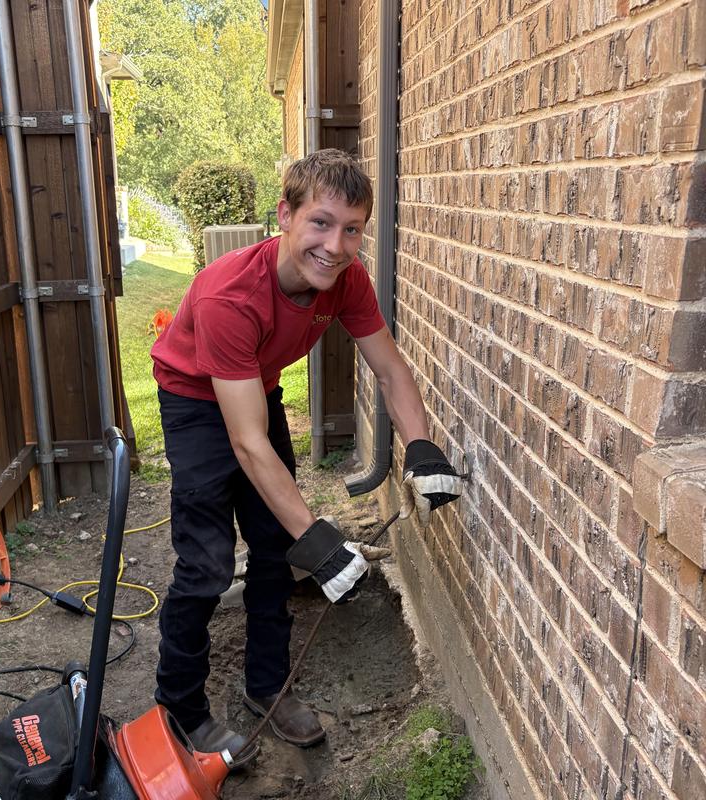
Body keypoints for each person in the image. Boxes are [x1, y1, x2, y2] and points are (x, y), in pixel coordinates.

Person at [150, 148, 462, 767]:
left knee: (276, 550)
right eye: (320, 222)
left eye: (352, 229)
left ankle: (266, 685)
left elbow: (392, 369)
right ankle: (179, 710)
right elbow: (245, 441)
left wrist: (422, 448)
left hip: (252, 386)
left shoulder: (347, 280)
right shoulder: (229, 296)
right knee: (207, 563)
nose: (335, 245)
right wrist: (320, 540)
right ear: (284, 216)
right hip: (194, 400)